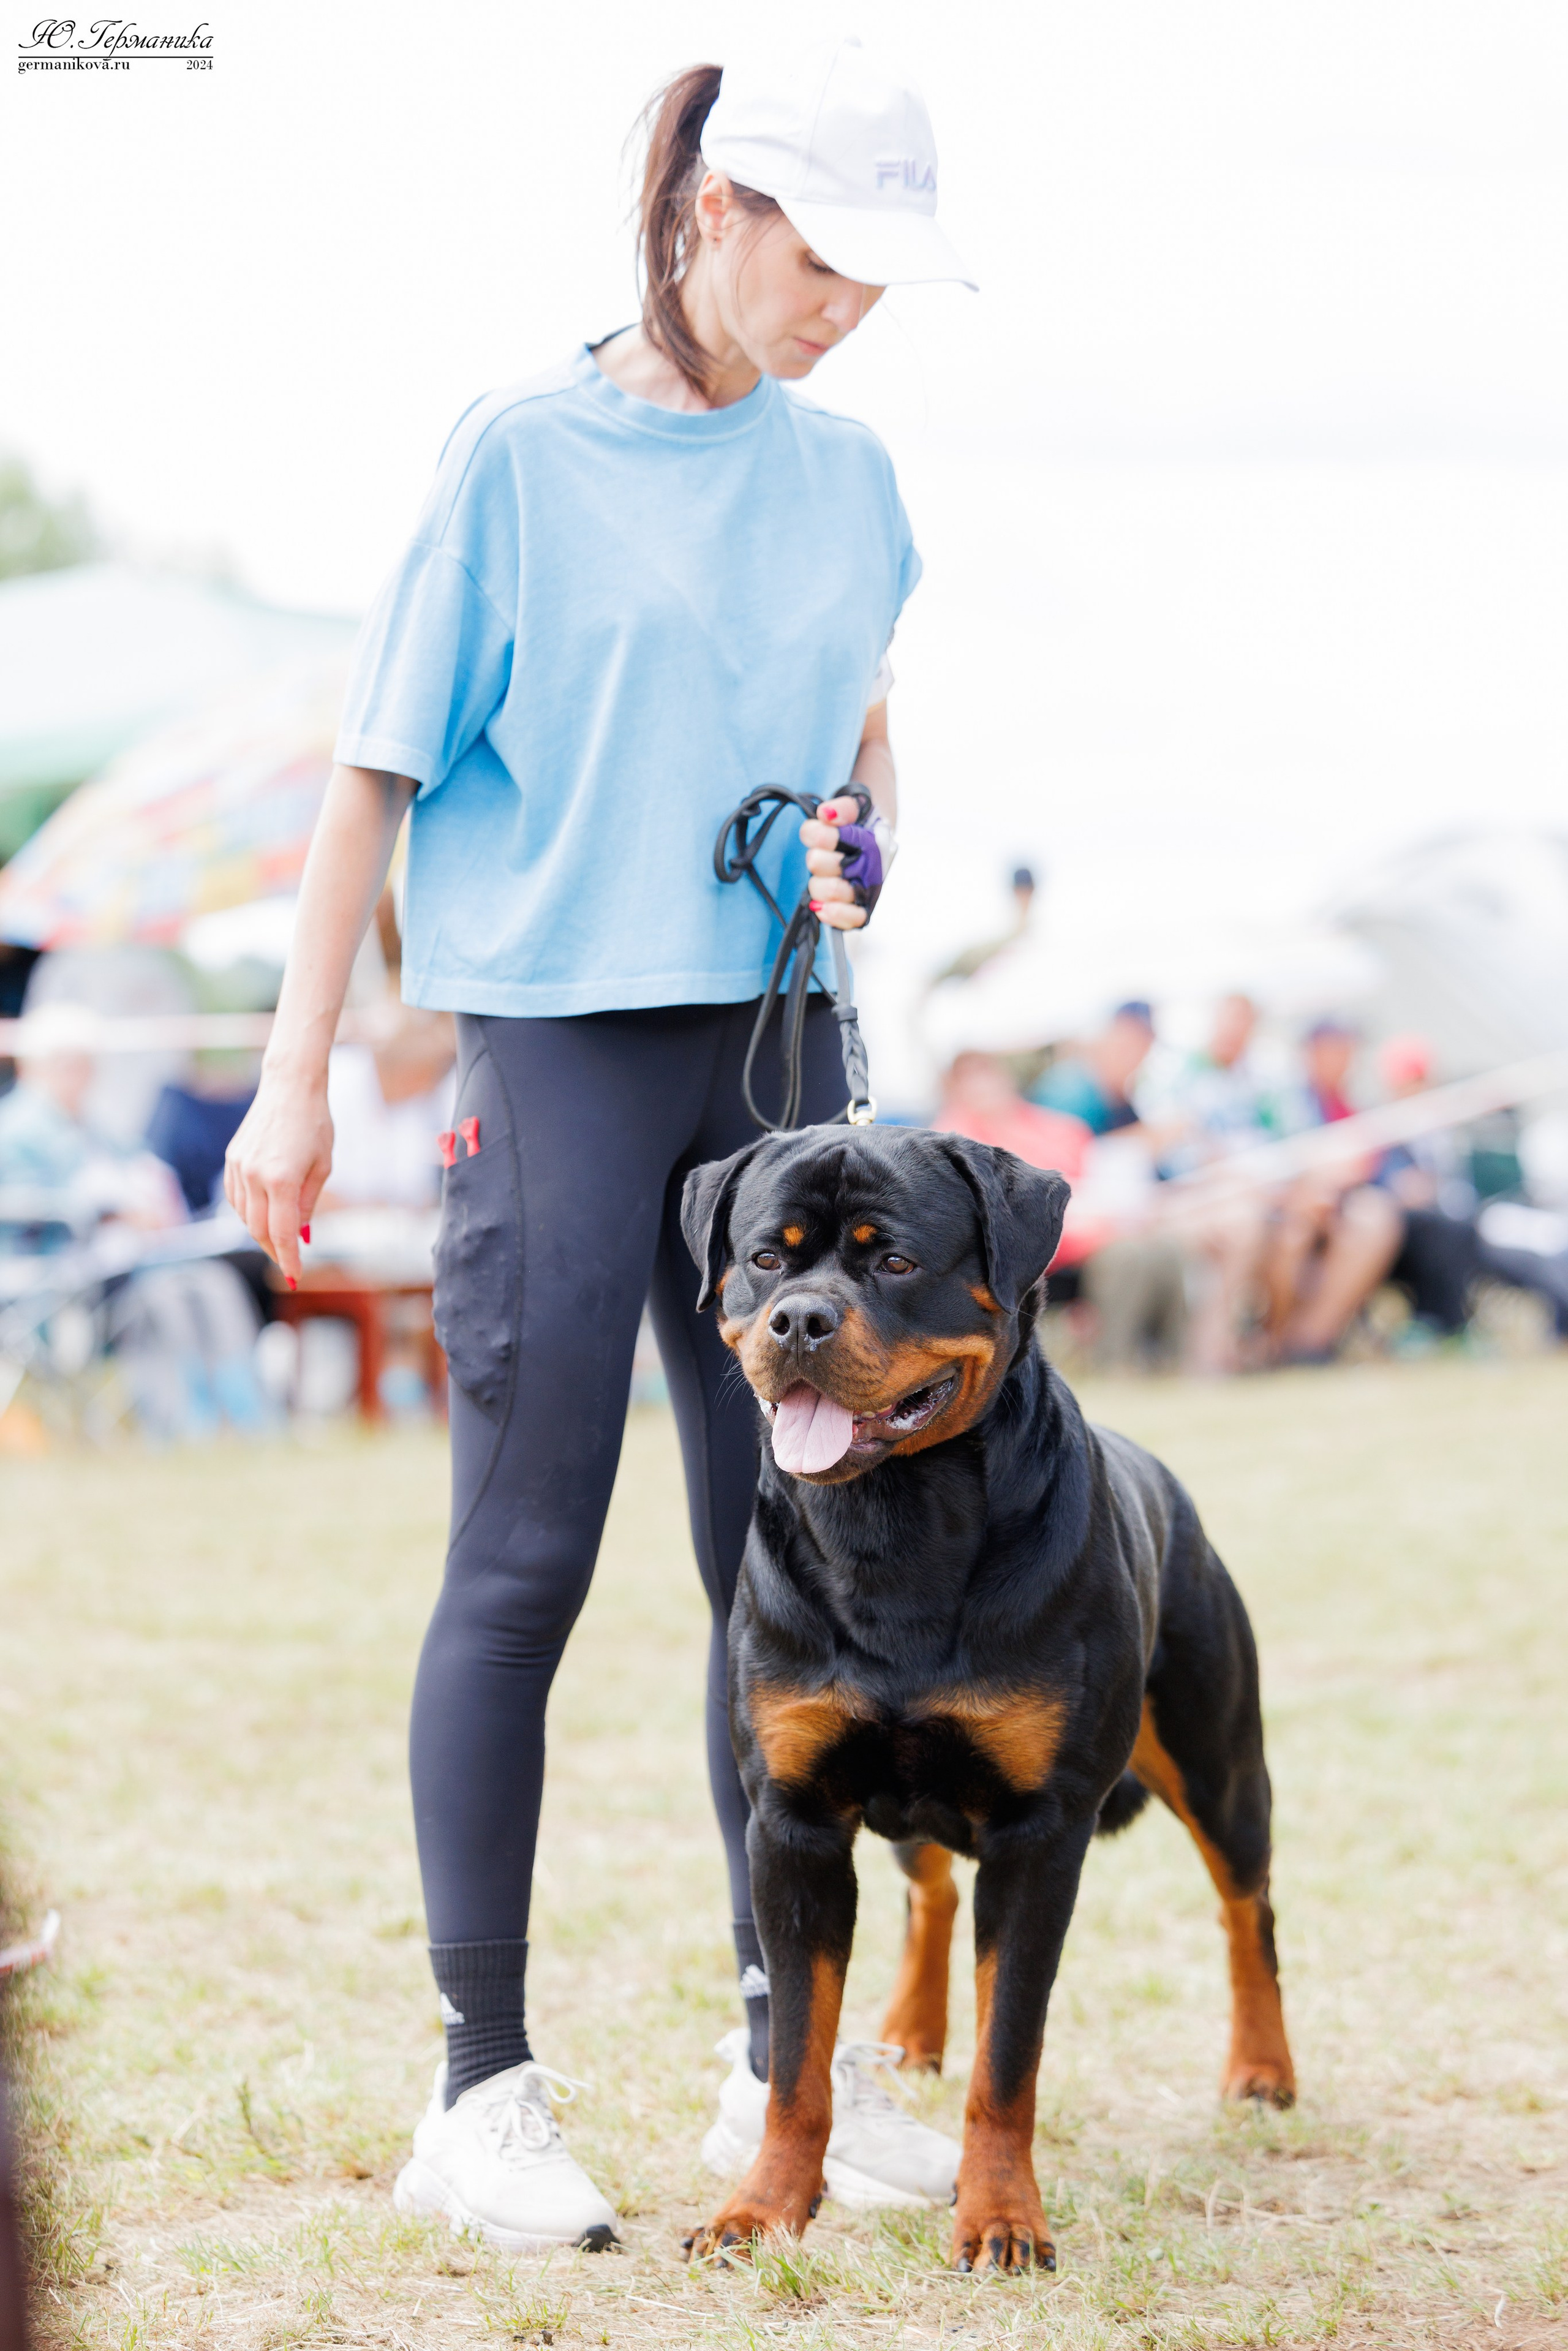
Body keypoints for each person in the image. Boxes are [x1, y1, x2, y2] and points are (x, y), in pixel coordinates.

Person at [224, 39, 971, 2251]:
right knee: (526, 1549)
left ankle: (784, 2064)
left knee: (789, 1568)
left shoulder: (854, 481)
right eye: (819, 259)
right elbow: (372, 773)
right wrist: (293, 1069)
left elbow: (864, 753)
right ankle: (479, 2087)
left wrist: (866, 841)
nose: (842, 308)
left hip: (777, 1058)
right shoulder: (519, 458)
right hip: (552, 1048)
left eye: (874, 279)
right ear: (716, 206)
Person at [1259, 1019, 1403, 1364]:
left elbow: (1376, 1167)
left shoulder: (1353, 1107)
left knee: (1374, 1219)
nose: (1343, 1060)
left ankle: (1311, 1340)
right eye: (1334, 1050)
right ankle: (1275, 1339)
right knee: (1295, 1234)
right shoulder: (1281, 1101)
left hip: (1338, 1209)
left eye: (1347, 1051)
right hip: (1281, 1207)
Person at [1030, 1000, 1155, 1134]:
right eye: (1128, 1046)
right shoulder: (1069, 1092)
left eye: (1144, 1047)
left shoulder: (1114, 1091)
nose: (1136, 1058)